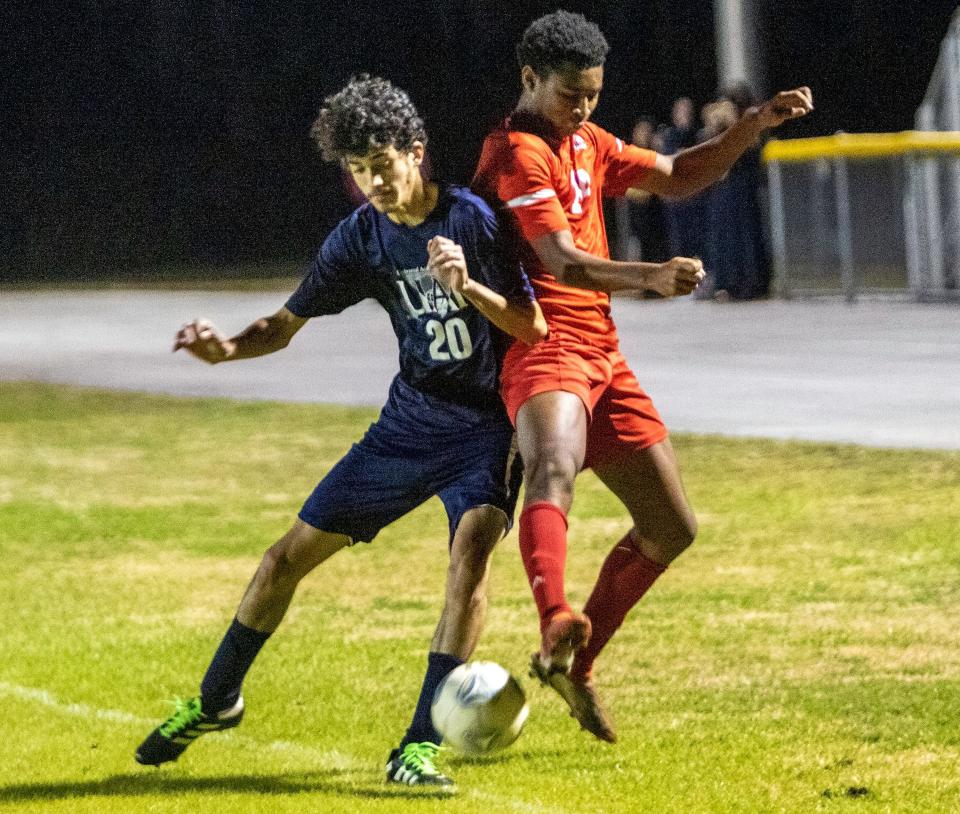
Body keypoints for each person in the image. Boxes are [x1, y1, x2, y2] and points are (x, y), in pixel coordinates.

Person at [134, 74, 546, 788]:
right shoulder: (361, 238)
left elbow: (531, 327)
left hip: (485, 428)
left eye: (381, 165)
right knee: (282, 561)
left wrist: (468, 287)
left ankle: (418, 746)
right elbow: (285, 324)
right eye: (358, 172)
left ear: (415, 151)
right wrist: (229, 347)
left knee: (470, 560)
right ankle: (214, 701)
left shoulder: (470, 221)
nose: (372, 183)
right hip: (408, 424)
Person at [472, 10, 812, 743]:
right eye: (572, 94)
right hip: (541, 341)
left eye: (594, 93)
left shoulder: (588, 142)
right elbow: (560, 261)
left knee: (670, 527)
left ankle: (574, 664)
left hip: (602, 351)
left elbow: (682, 174)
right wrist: (650, 276)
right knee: (553, 466)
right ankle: (554, 613)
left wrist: (752, 123)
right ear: (530, 80)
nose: (585, 107)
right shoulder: (515, 153)